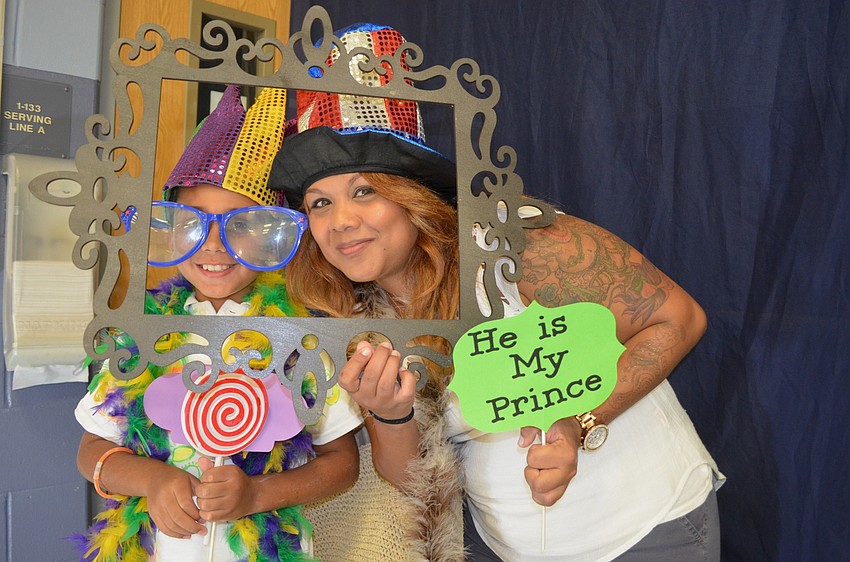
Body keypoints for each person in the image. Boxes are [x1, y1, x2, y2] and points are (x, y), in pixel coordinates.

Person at [269, 23, 724, 562]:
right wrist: (389, 414)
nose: (340, 221)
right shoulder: (359, 316)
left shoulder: (515, 243)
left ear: (409, 196)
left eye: (364, 190)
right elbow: (408, 474)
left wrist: (579, 423)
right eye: (319, 202)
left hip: (644, 532)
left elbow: (679, 318)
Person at [73, 85, 363, 562]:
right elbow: (91, 449)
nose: (214, 244)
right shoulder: (144, 335)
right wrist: (153, 479)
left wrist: (256, 495)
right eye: (193, 221)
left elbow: (342, 462)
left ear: (275, 236)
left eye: (242, 224)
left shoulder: (300, 339)